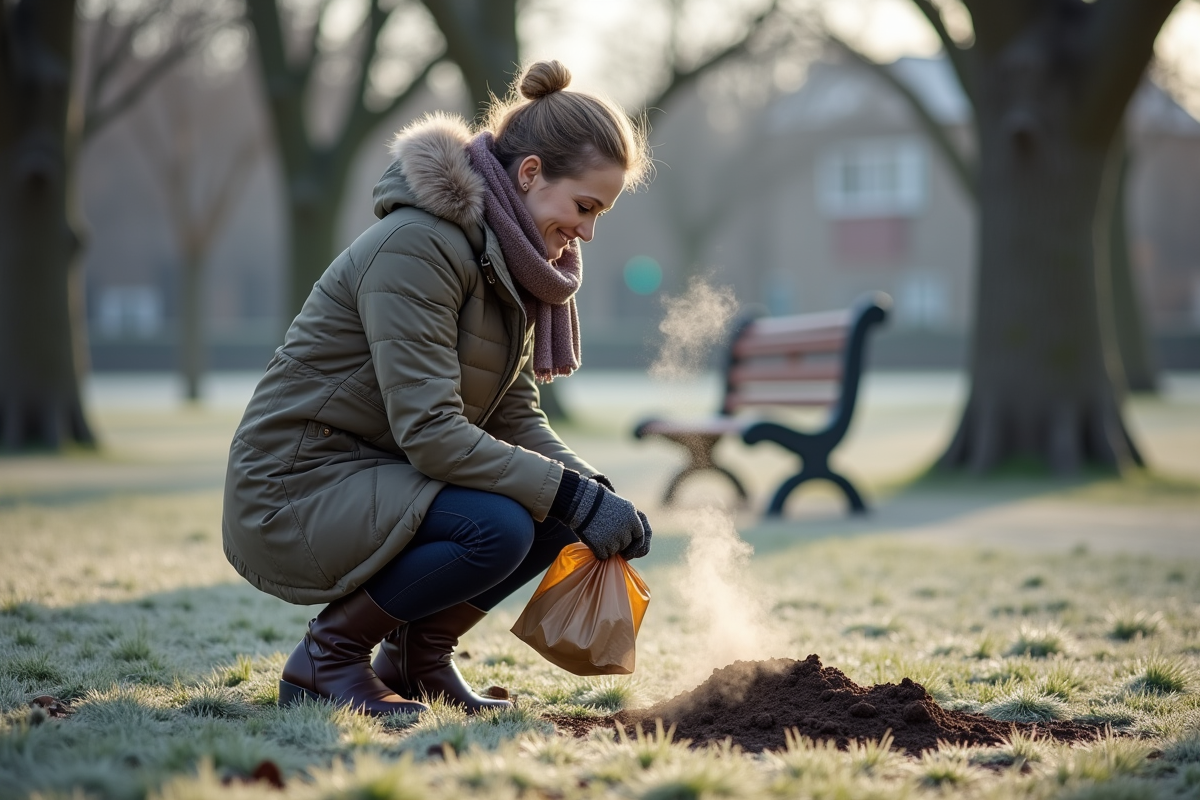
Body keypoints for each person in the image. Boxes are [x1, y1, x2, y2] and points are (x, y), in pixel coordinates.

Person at [221, 60, 655, 717]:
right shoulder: (418, 247)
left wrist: (590, 490)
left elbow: (512, 416)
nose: (588, 232)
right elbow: (431, 433)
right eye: (584, 206)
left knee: (554, 511)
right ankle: (326, 658)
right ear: (531, 173)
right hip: (296, 485)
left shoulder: (511, 264)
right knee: (502, 524)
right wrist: (570, 493)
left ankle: (416, 662)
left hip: (373, 476)